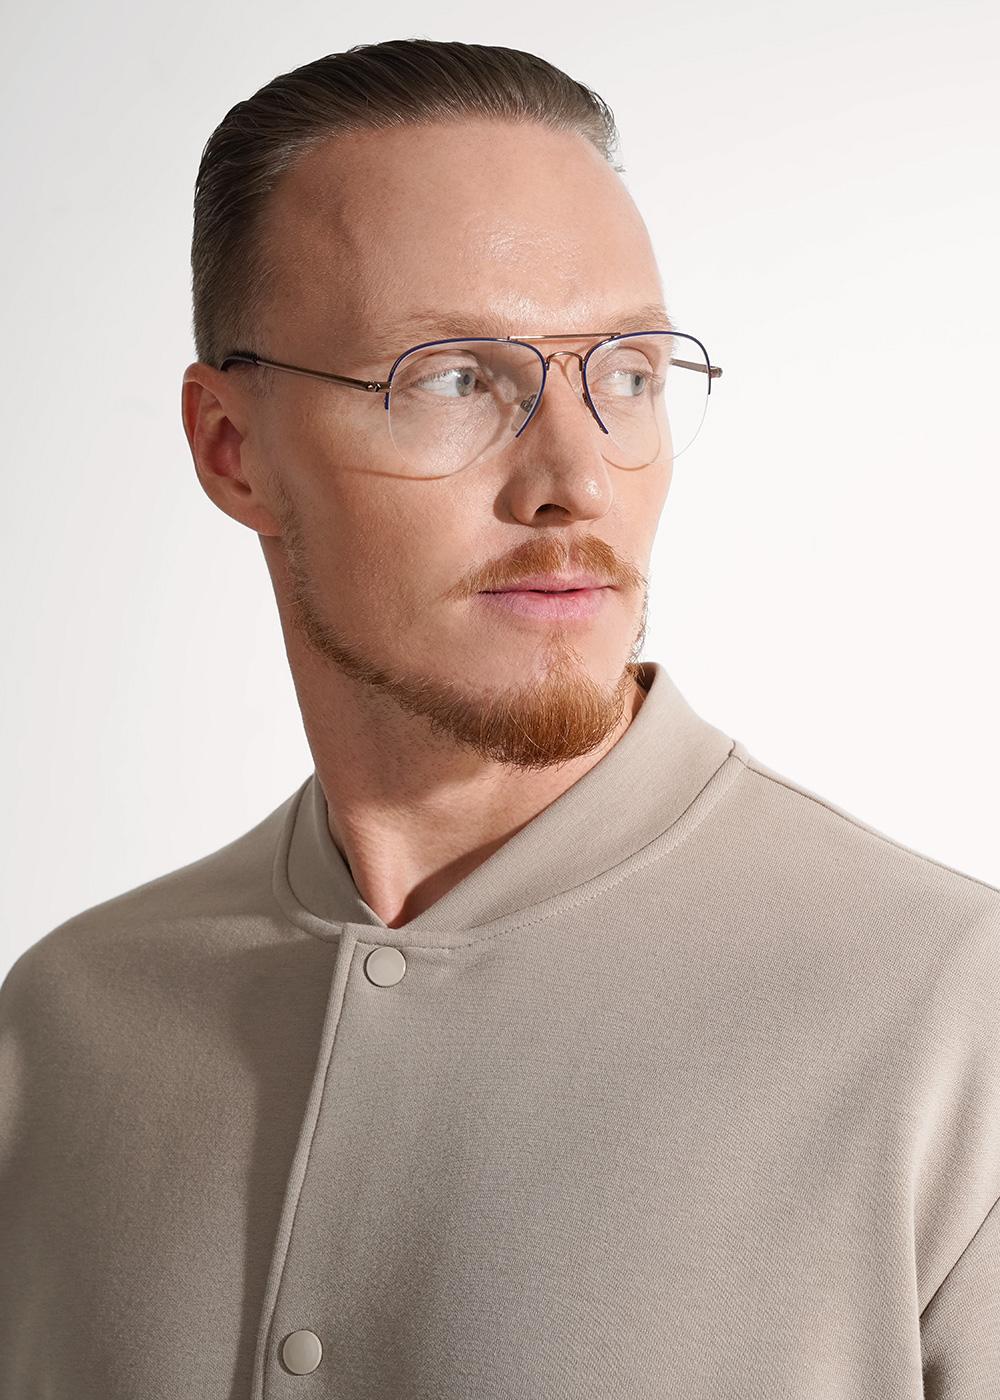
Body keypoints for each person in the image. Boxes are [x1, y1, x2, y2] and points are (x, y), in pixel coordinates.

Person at [1, 37, 997, 1400]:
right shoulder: (66, 1028)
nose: (575, 478)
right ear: (233, 449)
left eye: (628, 373)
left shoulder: (954, 1021)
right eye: (455, 378)